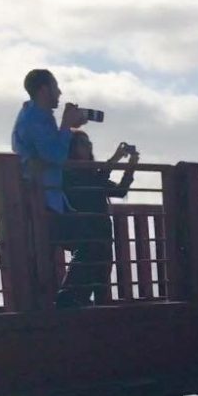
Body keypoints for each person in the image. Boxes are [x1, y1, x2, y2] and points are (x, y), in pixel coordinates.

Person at [11, 68, 92, 307]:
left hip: (49, 199)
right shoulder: (34, 120)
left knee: (67, 246)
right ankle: (65, 300)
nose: (60, 93)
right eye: (56, 87)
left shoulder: (40, 117)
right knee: (88, 242)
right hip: (41, 200)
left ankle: (61, 299)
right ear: (44, 89)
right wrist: (67, 125)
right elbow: (54, 155)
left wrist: (65, 126)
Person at [61, 131, 139, 305]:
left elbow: (120, 191)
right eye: (82, 143)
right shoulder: (69, 172)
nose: (88, 146)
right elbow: (94, 182)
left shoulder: (92, 174)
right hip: (86, 234)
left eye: (89, 143)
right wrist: (116, 158)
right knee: (81, 278)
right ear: (72, 148)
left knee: (101, 278)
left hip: (102, 232)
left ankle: (95, 318)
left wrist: (131, 165)